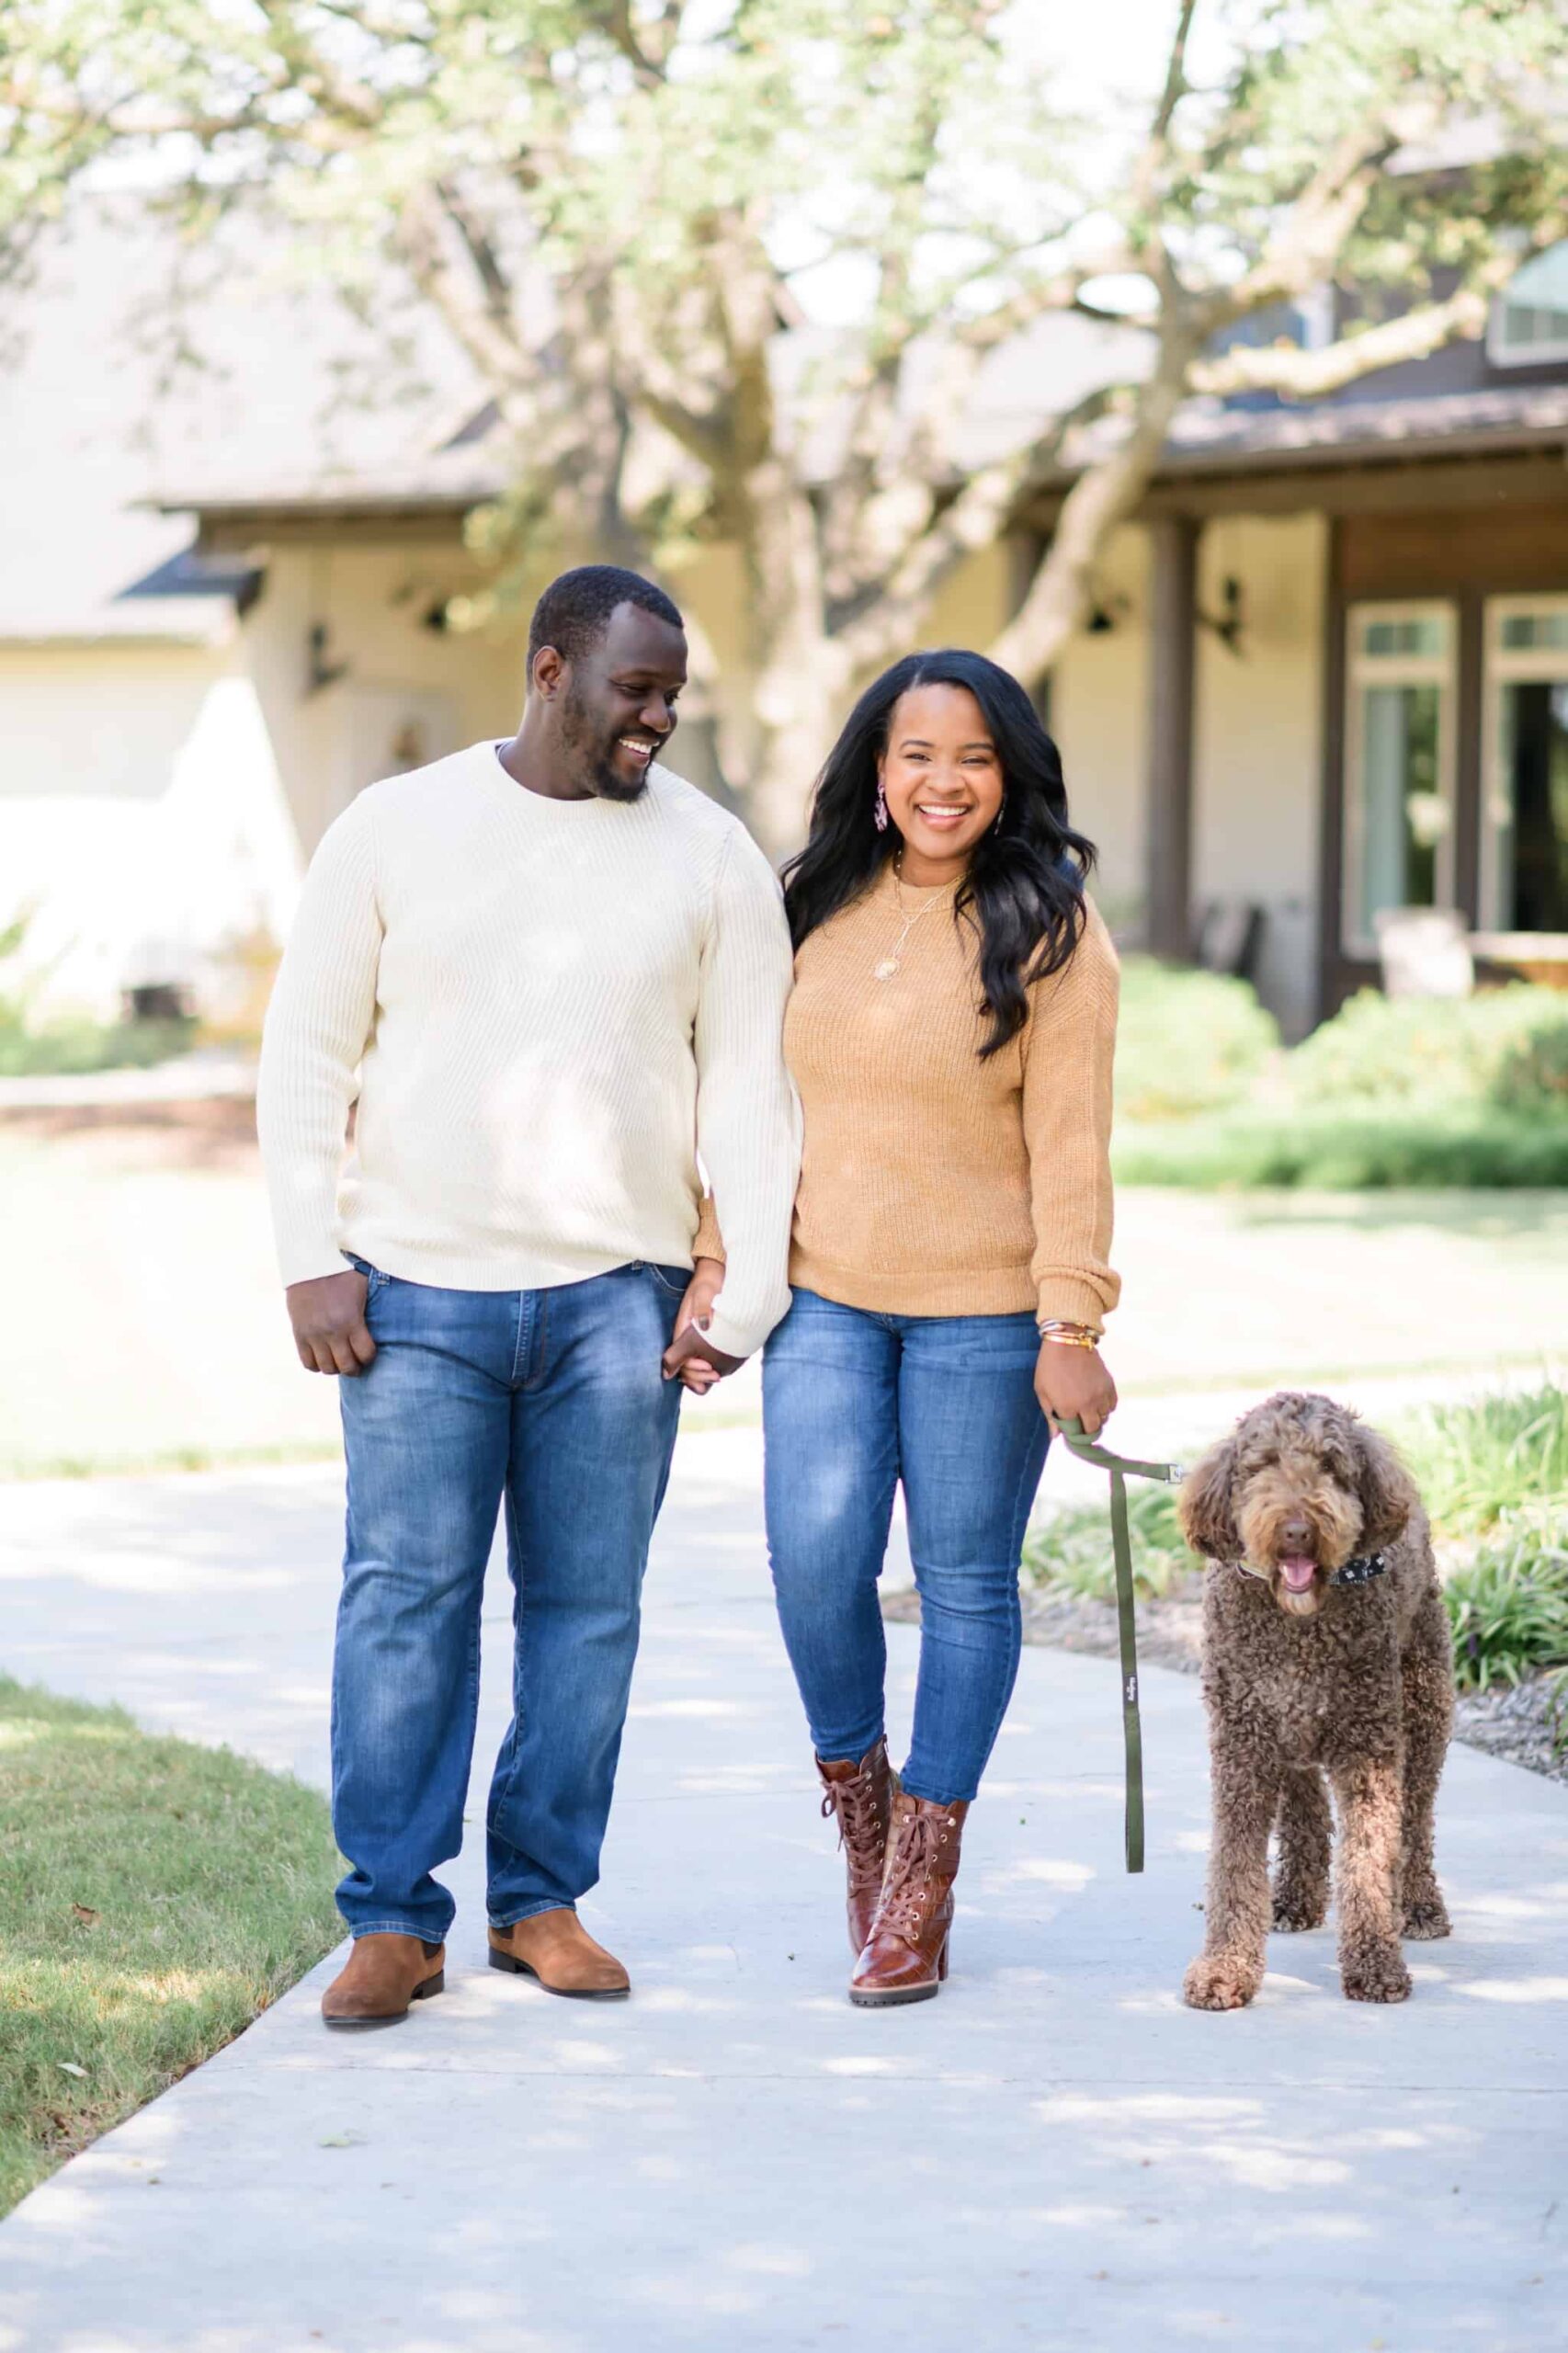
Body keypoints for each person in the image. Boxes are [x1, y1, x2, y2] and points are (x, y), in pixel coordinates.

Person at [257, 564, 798, 2029]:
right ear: (550, 671)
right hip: (412, 1295)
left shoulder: (712, 857)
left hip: (614, 1305)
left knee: (585, 1615)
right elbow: (307, 1053)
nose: (660, 719)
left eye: (673, 693)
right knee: (404, 1609)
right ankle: (390, 1919)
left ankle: (539, 1901)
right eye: (636, 689)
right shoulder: (396, 829)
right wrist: (312, 1250)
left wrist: (741, 1284)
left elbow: (750, 1088)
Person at [669, 649, 1119, 2007]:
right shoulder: (805, 905)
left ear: (1007, 776)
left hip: (985, 1317)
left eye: (973, 757)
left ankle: (921, 1873)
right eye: (919, 754)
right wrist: (712, 1258)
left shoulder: (1050, 928)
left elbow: (1071, 1143)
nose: (945, 781)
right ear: (877, 769)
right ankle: (861, 1816)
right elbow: (743, 1103)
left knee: (966, 1587)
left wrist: (1072, 1316)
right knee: (813, 1565)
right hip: (821, 1301)